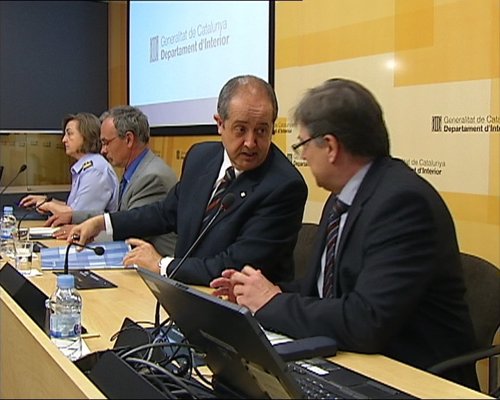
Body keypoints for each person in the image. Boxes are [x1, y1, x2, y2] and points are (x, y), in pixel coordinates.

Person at [210, 78, 479, 389]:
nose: (303, 156)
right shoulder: (341, 198)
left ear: (331, 147)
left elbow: (366, 321)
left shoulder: (403, 203)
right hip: (351, 362)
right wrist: (256, 292)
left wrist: (272, 303)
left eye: (303, 145)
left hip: (414, 380)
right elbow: (323, 292)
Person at [68, 75, 308, 285]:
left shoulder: (284, 186)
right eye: (240, 129)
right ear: (220, 124)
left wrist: (162, 265)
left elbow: (236, 264)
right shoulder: (201, 157)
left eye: (262, 130)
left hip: (238, 309)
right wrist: (103, 223)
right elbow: (165, 213)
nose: (250, 142)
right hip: (185, 294)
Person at [45, 105, 178, 257]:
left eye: (106, 142)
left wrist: (87, 231)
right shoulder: (135, 170)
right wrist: (74, 217)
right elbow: (118, 215)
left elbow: (133, 227)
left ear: (128, 139)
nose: (103, 150)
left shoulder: (152, 177)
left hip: (153, 264)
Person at [20, 112, 119, 215]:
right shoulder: (87, 167)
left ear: (86, 135)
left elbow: (77, 215)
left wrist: (49, 206)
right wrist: (46, 201)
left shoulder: (95, 171)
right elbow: (72, 207)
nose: (64, 140)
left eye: (70, 134)